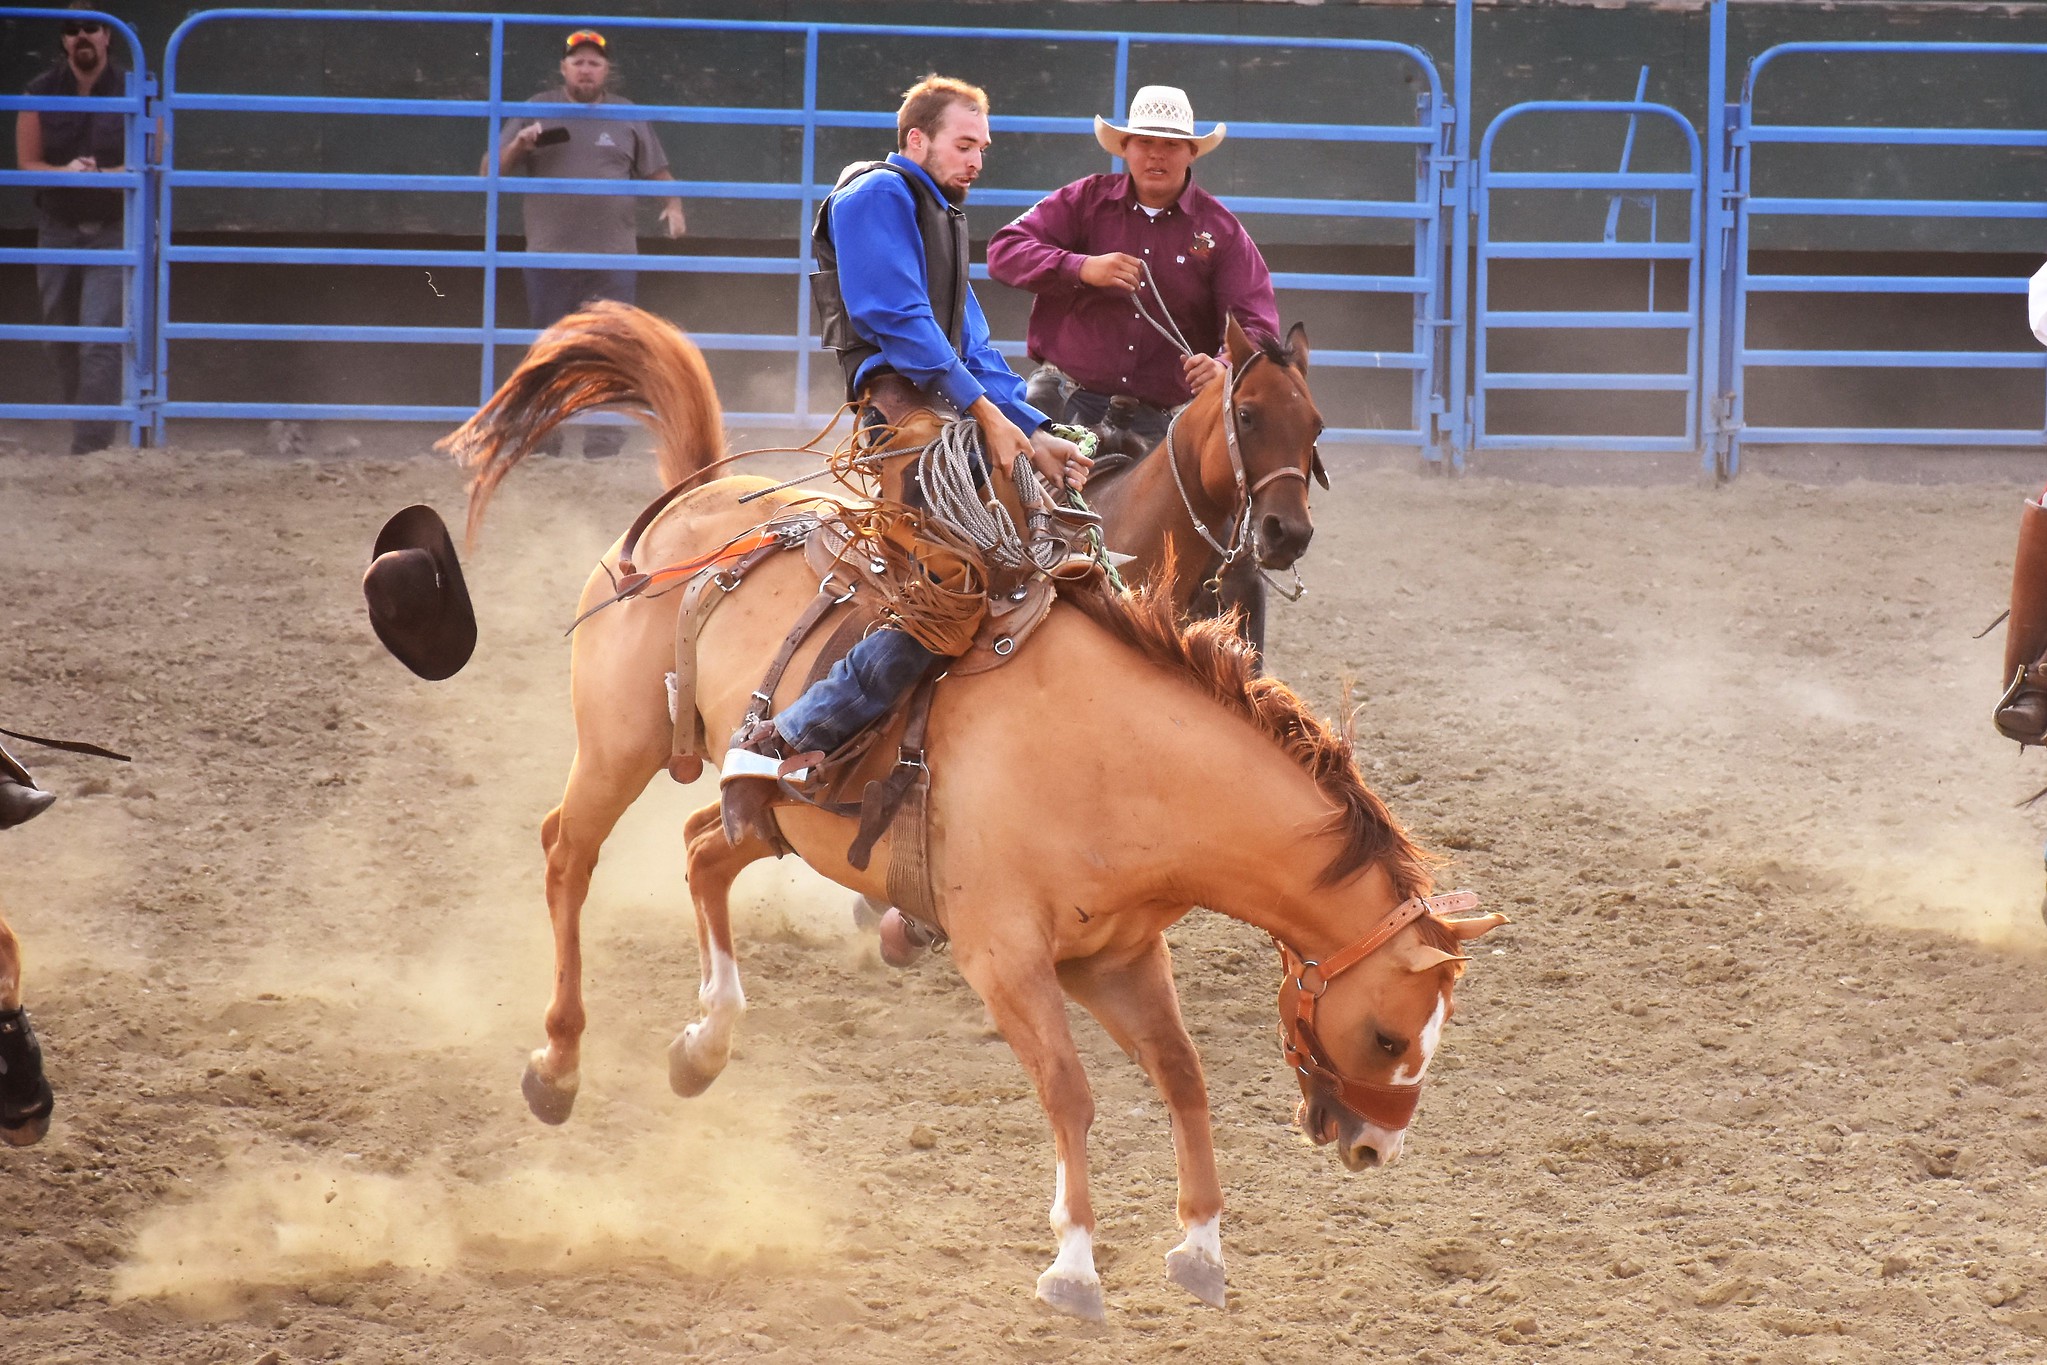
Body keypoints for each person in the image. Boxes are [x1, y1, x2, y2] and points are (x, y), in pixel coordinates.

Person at [718, 74, 1086, 825]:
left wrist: (1035, 429)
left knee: (1048, 547)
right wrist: (988, 414)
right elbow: (896, 317)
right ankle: (782, 734)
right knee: (947, 598)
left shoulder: (939, 214)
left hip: (940, 412)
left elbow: (971, 345)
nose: (978, 158)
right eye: (964, 142)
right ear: (916, 139)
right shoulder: (878, 197)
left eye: (982, 146)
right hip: (902, 422)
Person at [986, 84, 1281, 452]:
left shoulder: (1222, 231)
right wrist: (1081, 268)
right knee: (997, 469)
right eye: (1145, 143)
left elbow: (1258, 325)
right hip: (1066, 394)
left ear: (1191, 152)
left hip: (1163, 415)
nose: (1156, 155)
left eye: (1171, 145)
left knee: (1221, 497)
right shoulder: (1084, 200)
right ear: (1125, 148)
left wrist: (1225, 365)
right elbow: (1004, 250)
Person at [490, 28, 685, 459]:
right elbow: (490, 171)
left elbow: (659, 174)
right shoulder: (535, 109)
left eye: (593, 62)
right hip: (549, 255)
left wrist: (674, 206)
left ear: (605, 70)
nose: (585, 69)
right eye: (577, 61)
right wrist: (520, 144)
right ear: (564, 68)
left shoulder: (627, 114)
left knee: (612, 349)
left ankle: (605, 443)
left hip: (612, 256)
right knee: (550, 350)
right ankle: (546, 441)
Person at [14, 6, 130, 456]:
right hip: (58, 226)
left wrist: (105, 174)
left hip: (112, 226)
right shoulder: (39, 92)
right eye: (71, 29)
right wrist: (65, 171)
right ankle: (90, 419)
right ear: (63, 41)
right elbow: (28, 162)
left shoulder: (133, 89)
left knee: (99, 335)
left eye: (91, 27)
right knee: (58, 337)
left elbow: (153, 156)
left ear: (108, 36)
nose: (81, 36)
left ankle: (90, 447)